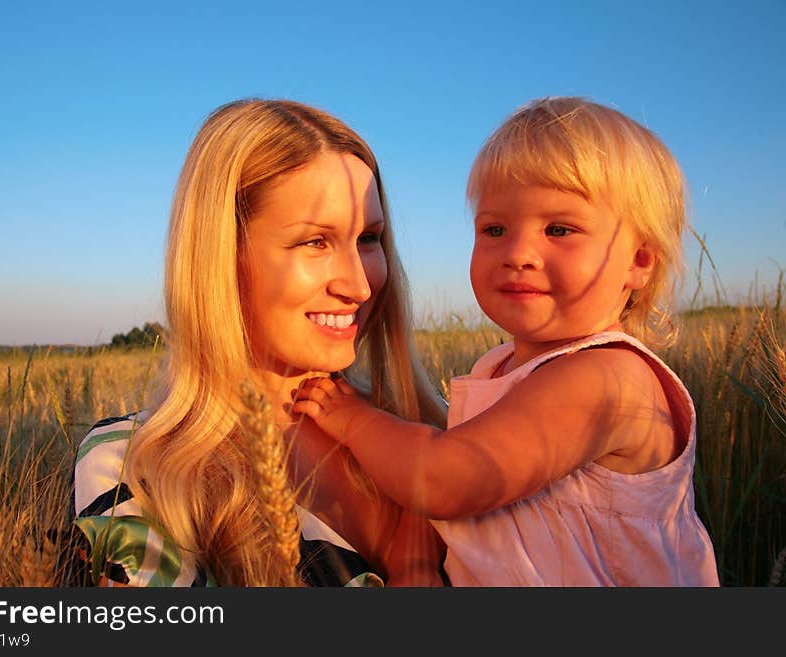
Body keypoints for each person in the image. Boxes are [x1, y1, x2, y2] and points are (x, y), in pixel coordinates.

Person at [294, 96, 720, 586]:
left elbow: (446, 479)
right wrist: (416, 565)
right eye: (494, 228)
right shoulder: (499, 369)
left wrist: (352, 418)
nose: (518, 252)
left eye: (559, 229)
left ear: (639, 261)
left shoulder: (609, 378)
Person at [71, 98, 448, 587]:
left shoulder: (435, 424)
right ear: (222, 256)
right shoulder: (137, 468)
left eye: (369, 238)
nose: (359, 285)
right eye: (316, 241)